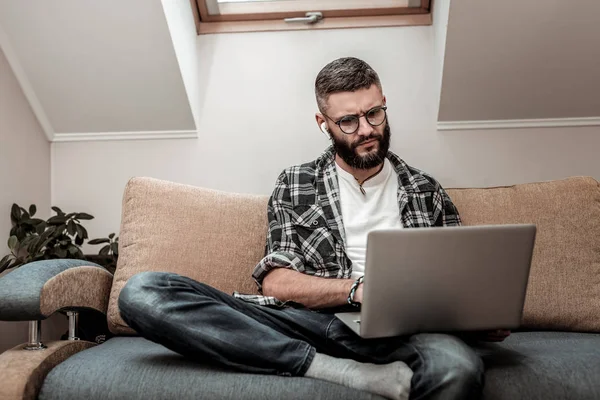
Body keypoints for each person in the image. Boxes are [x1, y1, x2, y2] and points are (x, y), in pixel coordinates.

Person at [119, 57, 510, 400]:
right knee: (143, 292)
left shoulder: (425, 189)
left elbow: (462, 280)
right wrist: (357, 290)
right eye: (348, 121)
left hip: (406, 332)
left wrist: (479, 316)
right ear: (323, 123)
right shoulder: (295, 182)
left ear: (385, 105)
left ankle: (357, 364)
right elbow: (276, 282)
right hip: (309, 323)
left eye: (375, 113)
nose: (366, 129)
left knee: (458, 369)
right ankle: (341, 372)